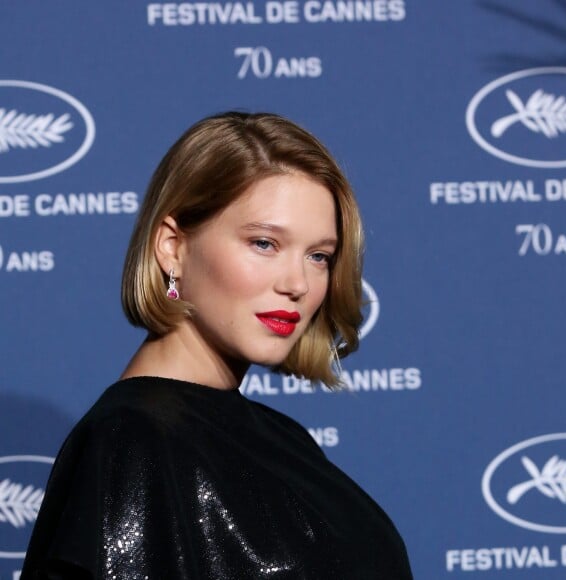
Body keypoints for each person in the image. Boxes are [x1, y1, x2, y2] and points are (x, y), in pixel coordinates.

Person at [22, 112, 413, 579]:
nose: (297, 284)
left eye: (318, 256)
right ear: (172, 247)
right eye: (265, 243)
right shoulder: (132, 442)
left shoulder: (284, 438)